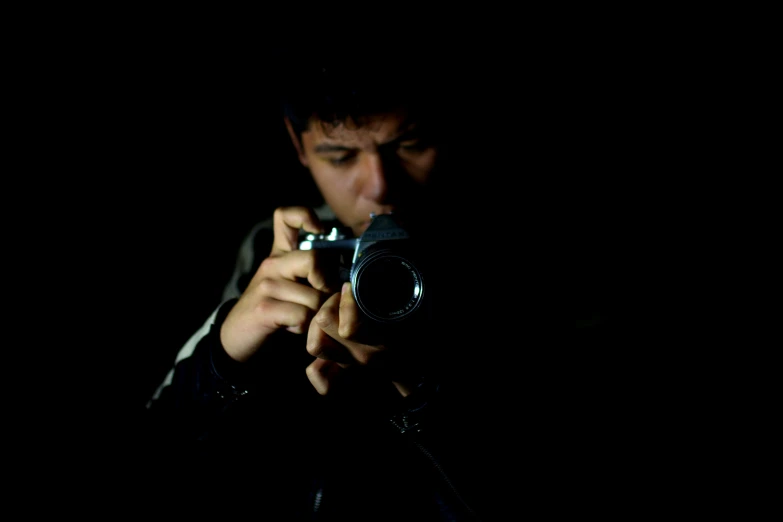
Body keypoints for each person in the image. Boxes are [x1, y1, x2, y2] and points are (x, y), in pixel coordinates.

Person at [142, 49, 637, 520]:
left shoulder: (546, 264)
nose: (378, 185)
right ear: (297, 144)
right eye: (339, 156)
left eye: (409, 144)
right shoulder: (275, 253)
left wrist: (427, 390)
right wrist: (223, 358)